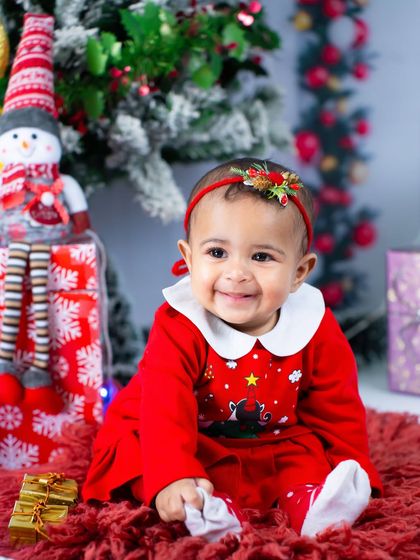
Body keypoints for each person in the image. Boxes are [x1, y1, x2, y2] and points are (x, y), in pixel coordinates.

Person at [83, 158, 382, 540]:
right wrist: (172, 474)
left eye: (261, 257)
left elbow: (337, 408)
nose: (236, 273)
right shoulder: (179, 324)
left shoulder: (314, 325)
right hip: (183, 434)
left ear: (299, 272)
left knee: (306, 457)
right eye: (217, 253)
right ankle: (202, 507)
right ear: (189, 257)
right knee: (140, 458)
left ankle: (312, 505)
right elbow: (164, 407)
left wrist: (353, 466)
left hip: (277, 438)